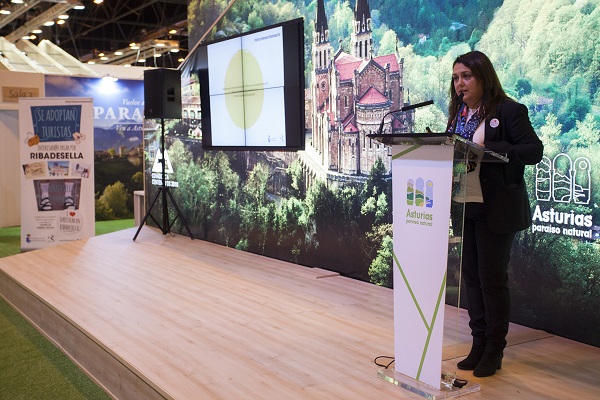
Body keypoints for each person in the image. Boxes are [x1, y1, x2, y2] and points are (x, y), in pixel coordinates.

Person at [446, 51, 544, 377]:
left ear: (483, 77)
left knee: (491, 280)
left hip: (497, 207)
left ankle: (494, 349)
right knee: (472, 278)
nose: (460, 83)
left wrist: (494, 151)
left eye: (466, 76)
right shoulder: (459, 113)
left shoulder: (509, 111)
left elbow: (534, 150)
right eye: (456, 78)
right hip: (466, 203)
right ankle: (478, 343)